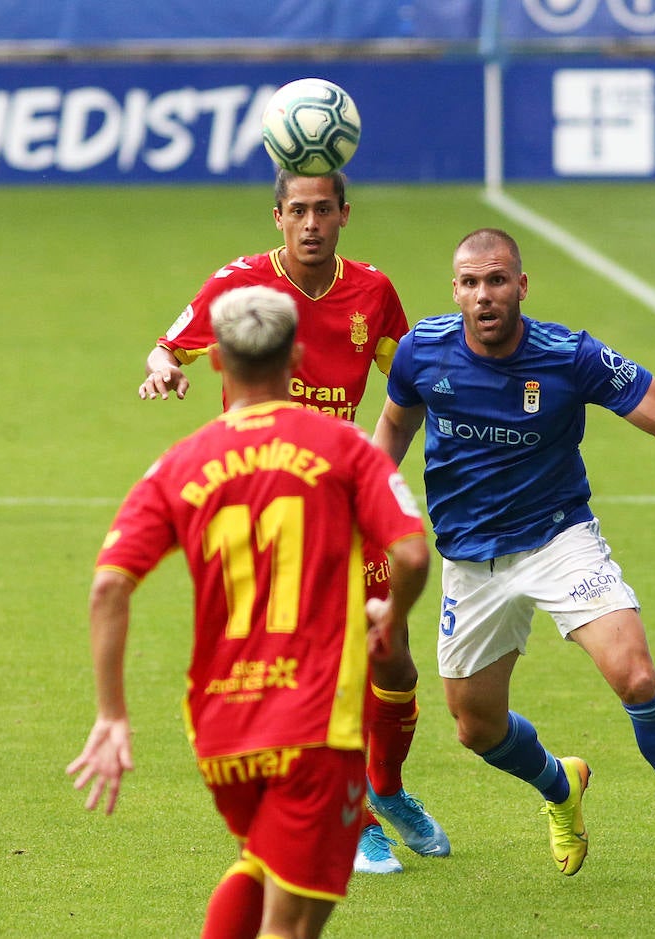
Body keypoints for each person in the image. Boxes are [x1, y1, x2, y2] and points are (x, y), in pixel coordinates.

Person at [372, 228, 655, 903]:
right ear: (455, 290)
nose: (484, 294)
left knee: (634, 674)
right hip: (470, 561)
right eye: (470, 282)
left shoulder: (568, 355)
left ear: (521, 285)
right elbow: (391, 434)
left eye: (497, 280)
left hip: (560, 539)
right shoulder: (421, 351)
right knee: (476, 727)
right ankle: (561, 783)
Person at [68, 285, 431, 939]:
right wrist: (389, 611)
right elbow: (409, 551)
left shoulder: (178, 464)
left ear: (216, 363)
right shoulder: (345, 449)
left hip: (220, 727)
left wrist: (111, 713)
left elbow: (108, 588)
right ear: (297, 356)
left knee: (262, 863)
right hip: (315, 723)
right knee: (292, 924)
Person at [137, 168, 448, 873]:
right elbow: (168, 344)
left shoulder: (374, 291)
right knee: (320, 666)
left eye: (323, 210)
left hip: (347, 499)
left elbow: (411, 384)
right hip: (267, 512)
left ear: (345, 214)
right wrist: (166, 369)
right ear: (278, 216)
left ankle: (386, 787)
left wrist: (377, 458)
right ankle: (353, 818)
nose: (310, 223)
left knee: (392, 658)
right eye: (297, 211)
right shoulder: (240, 284)